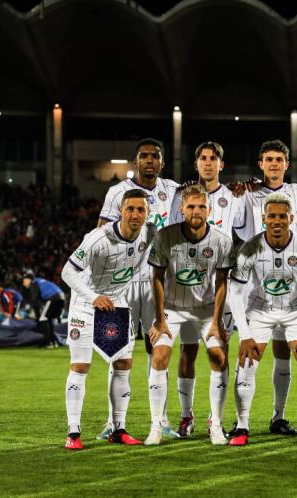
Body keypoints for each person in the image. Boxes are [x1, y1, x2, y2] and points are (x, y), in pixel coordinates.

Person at [97, 138, 180, 440]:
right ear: (135, 162)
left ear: (162, 162)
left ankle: (162, 420)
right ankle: (113, 422)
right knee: (118, 352)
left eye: (154, 156)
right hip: (122, 285)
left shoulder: (174, 191)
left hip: (158, 282)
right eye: (143, 156)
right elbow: (102, 232)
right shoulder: (117, 192)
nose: (149, 160)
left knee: (159, 350)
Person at [226, 193, 297, 446]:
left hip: (295, 309)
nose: (277, 221)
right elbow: (234, 293)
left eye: (283, 216)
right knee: (246, 361)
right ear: (264, 218)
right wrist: (244, 334)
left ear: (291, 218)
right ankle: (242, 425)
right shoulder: (250, 248)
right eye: (272, 216)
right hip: (260, 309)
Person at [60, 189, 157, 450]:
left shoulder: (150, 233)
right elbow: (67, 272)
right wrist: (93, 297)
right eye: (130, 209)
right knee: (80, 366)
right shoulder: (97, 238)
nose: (135, 214)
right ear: (120, 211)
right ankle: (73, 433)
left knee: (123, 363)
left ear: (147, 213)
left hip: (115, 303)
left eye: (140, 209)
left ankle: (118, 428)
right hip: (85, 305)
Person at [143, 184, 234, 446]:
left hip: (206, 310)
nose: (196, 211)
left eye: (201, 206)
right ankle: (156, 425)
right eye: (191, 206)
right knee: (160, 355)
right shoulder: (165, 236)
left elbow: (222, 282)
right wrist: (160, 319)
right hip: (172, 308)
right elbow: (156, 278)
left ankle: (216, 424)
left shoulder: (221, 241)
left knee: (218, 357)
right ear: (182, 209)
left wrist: (216, 322)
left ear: (209, 210)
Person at [234, 140, 297, 436]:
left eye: (279, 159)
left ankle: (278, 417)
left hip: (290, 287)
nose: (274, 164)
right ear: (261, 164)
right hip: (256, 289)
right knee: (249, 355)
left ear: (286, 164)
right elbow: (231, 222)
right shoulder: (248, 194)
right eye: (269, 159)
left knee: (284, 352)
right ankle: (240, 422)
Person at [22, 273, 64, 348]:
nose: (23, 283)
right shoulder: (41, 281)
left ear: (29, 279)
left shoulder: (34, 283)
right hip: (61, 298)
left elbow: (34, 300)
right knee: (49, 319)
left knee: (42, 319)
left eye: (24, 281)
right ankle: (54, 342)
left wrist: (37, 316)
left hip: (53, 298)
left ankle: (48, 342)